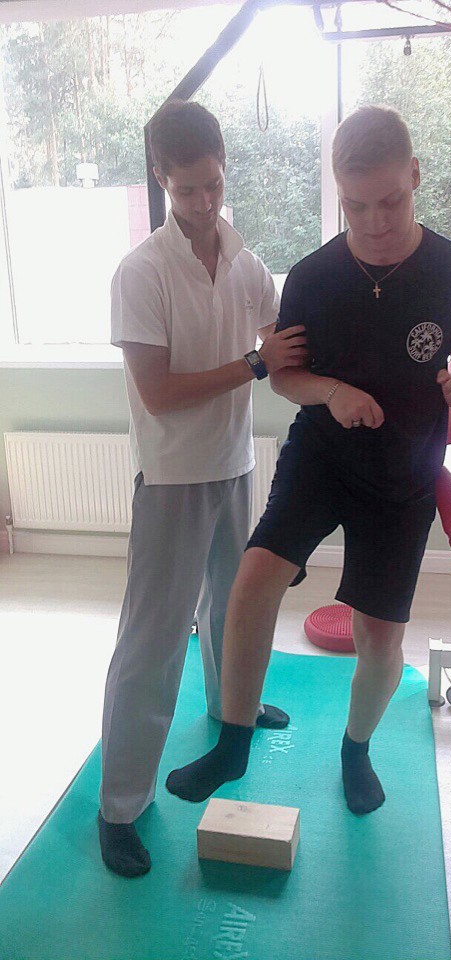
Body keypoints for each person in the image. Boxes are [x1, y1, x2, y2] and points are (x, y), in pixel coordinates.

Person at [165, 104, 451, 817]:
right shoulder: (315, 277)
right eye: (355, 206)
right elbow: (285, 376)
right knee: (253, 579)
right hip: (321, 454)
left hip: (404, 471)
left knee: (379, 638)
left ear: (415, 175)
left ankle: (356, 748)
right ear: (338, 193)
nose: (374, 222)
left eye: (390, 201)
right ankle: (233, 741)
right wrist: (332, 392)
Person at [98, 99, 308, 878]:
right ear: (161, 178)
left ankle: (231, 707)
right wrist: (255, 365)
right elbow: (159, 393)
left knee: (232, 606)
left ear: (224, 168)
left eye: (213, 184)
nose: (202, 201)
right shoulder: (141, 273)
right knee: (152, 643)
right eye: (186, 189)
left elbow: (282, 342)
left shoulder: (244, 259)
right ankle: (120, 806)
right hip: (173, 476)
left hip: (234, 461)